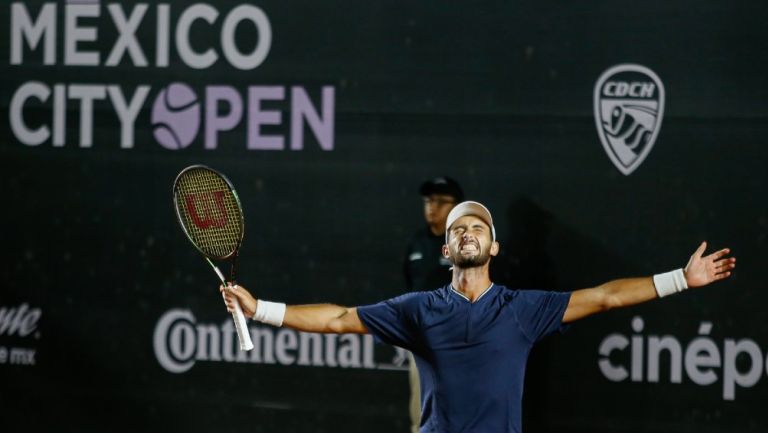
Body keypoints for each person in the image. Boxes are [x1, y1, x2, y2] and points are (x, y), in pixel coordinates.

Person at [221, 201, 736, 433]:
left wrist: (680, 279)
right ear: (446, 250)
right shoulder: (419, 310)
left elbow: (604, 297)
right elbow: (338, 320)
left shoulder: (523, 309)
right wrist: (259, 308)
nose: (467, 232)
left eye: (477, 227)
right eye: (458, 229)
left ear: (494, 246)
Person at [403, 177, 464, 433]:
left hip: (458, 338)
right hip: (420, 338)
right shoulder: (416, 242)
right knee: (421, 413)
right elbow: (409, 283)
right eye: (429, 201)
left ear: (457, 206)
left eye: (441, 202)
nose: (432, 207)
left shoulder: (466, 244)